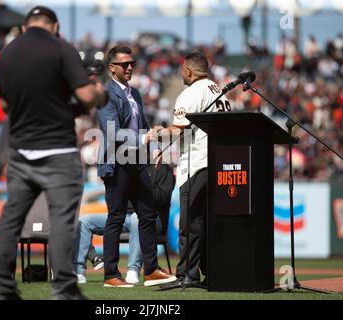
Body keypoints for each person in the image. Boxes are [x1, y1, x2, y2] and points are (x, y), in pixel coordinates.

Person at [0, 6, 107, 300]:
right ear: (54, 26)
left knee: (10, 221)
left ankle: (3, 290)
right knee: (61, 222)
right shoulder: (61, 48)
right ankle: (64, 289)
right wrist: (99, 93)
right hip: (58, 150)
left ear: (28, 24)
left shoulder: (7, 54)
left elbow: (5, 106)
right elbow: (84, 96)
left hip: (19, 152)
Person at [96, 45, 176, 287]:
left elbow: (141, 125)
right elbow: (111, 132)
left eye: (132, 63)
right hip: (117, 163)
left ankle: (150, 271)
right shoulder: (106, 94)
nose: (130, 67)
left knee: (148, 214)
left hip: (137, 162)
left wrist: (153, 150)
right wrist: (144, 140)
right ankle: (111, 275)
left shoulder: (135, 93)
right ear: (112, 68)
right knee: (116, 217)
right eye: (124, 64)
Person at [154, 52, 232, 285]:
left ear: (188, 70)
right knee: (209, 223)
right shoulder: (219, 91)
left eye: (182, 70)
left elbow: (178, 131)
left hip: (197, 164)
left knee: (191, 223)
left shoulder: (190, 93)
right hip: (219, 164)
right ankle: (213, 272)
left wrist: (157, 134)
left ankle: (187, 274)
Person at [73, 164, 175, 284]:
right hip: (123, 216)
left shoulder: (163, 168)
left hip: (152, 218)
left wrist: (142, 187)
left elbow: (163, 197)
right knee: (85, 221)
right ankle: (78, 271)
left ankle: (133, 270)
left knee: (137, 218)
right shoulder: (127, 166)